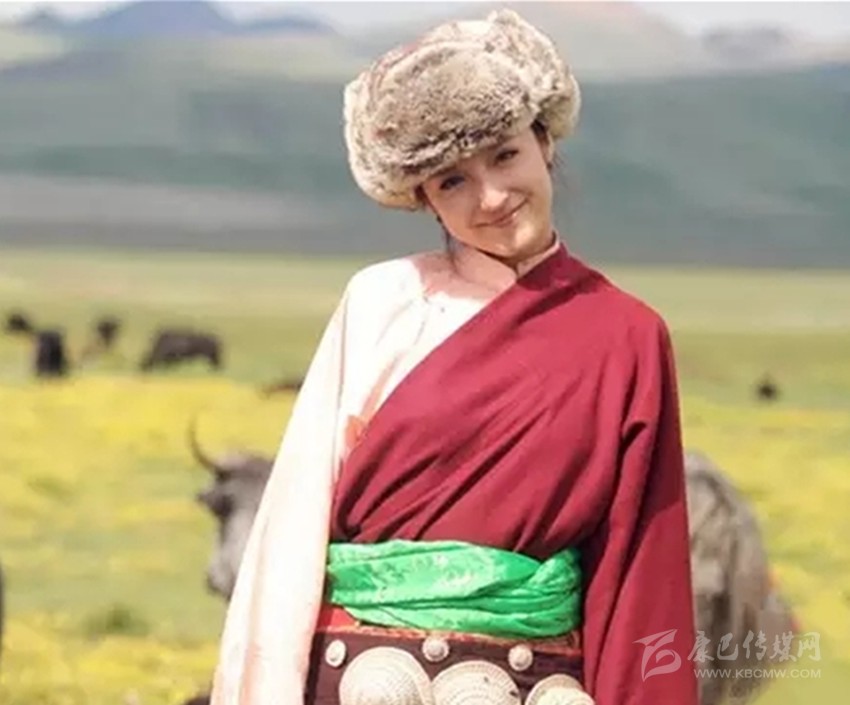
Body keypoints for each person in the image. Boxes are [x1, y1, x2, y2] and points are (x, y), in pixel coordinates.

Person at [210, 9, 699, 705]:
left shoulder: (629, 337)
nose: (491, 198)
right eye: (451, 182)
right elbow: (291, 531)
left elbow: (641, 574)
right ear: (425, 201)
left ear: (544, 141)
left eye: (504, 155)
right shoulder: (380, 303)